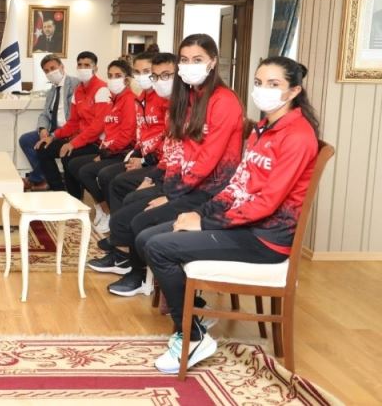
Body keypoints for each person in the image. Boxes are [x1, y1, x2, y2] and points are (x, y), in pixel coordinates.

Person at [139, 56, 320, 374]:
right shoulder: (262, 129)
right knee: (147, 237)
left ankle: (192, 336)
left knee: (158, 247)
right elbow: (237, 185)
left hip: (265, 239)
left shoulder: (297, 136)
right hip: (241, 224)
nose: (263, 90)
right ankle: (195, 313)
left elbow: (267, 204)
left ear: (294, 91)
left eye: (273, 84)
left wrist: (205, 223)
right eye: (259, 82)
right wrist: (199, 213)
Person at [103, 34, 244, 297]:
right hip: (186, 186)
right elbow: (179, 152)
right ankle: (137, 271)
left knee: (139, 220)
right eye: (185, 60)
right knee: (130, 210)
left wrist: (170, 195)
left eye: (197, 59)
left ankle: (142, 278)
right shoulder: (190, 97)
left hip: (210, 193)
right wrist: (166, 188)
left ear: (212, 62)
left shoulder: (223, 100)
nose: (190, 66)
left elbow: (208, 159)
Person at [92, 51, 172, 238]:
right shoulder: (140, 98)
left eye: (147, 71)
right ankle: (117, 228)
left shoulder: (164, 99)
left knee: (116, 180)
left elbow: (166, 137)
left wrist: (144, 161)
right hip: (144, 155)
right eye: (138, 72)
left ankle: (121, 234)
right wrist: (136, 154)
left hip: (158, 161)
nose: (142, 76)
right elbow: (141, 132)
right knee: (106, 175)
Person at [66, 59, 136, 232]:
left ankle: (108, 211)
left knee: (87, 171)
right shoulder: (113, 99)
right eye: (110, 75)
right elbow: (109, 129)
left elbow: (127, 134)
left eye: (118, 76)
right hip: (108, 148)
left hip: (122, 152)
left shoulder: (129, 100)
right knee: (74, 164)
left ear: (127, 79)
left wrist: (105, 153)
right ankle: (100, 206)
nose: (113, 79)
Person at [35, 51, 111, 194]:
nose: (83, 68)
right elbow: (73, 122)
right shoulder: (79, 90)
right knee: (43, 148)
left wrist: (73, 143)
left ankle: (74, 197)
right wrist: (52, 137)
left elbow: (98, 127)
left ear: (95, 68)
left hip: (97, 142)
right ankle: (59, 191)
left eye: (87, 65)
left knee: (67, 154)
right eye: (80, 65)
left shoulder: (102, 89)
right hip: (81, 138)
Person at [19, 54, 80, 191]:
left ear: (62, 67)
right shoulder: (52, 91)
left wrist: (54, 135)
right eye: (46, 71)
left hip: (68, 131)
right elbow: (45, 114)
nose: (50, 73)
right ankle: (43, 178)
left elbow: (77, 115)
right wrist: (42, 129)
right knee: (26, 140)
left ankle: (35, 179)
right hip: (53, 130)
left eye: (53, 68)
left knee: (44, 147)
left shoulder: (75, 84)